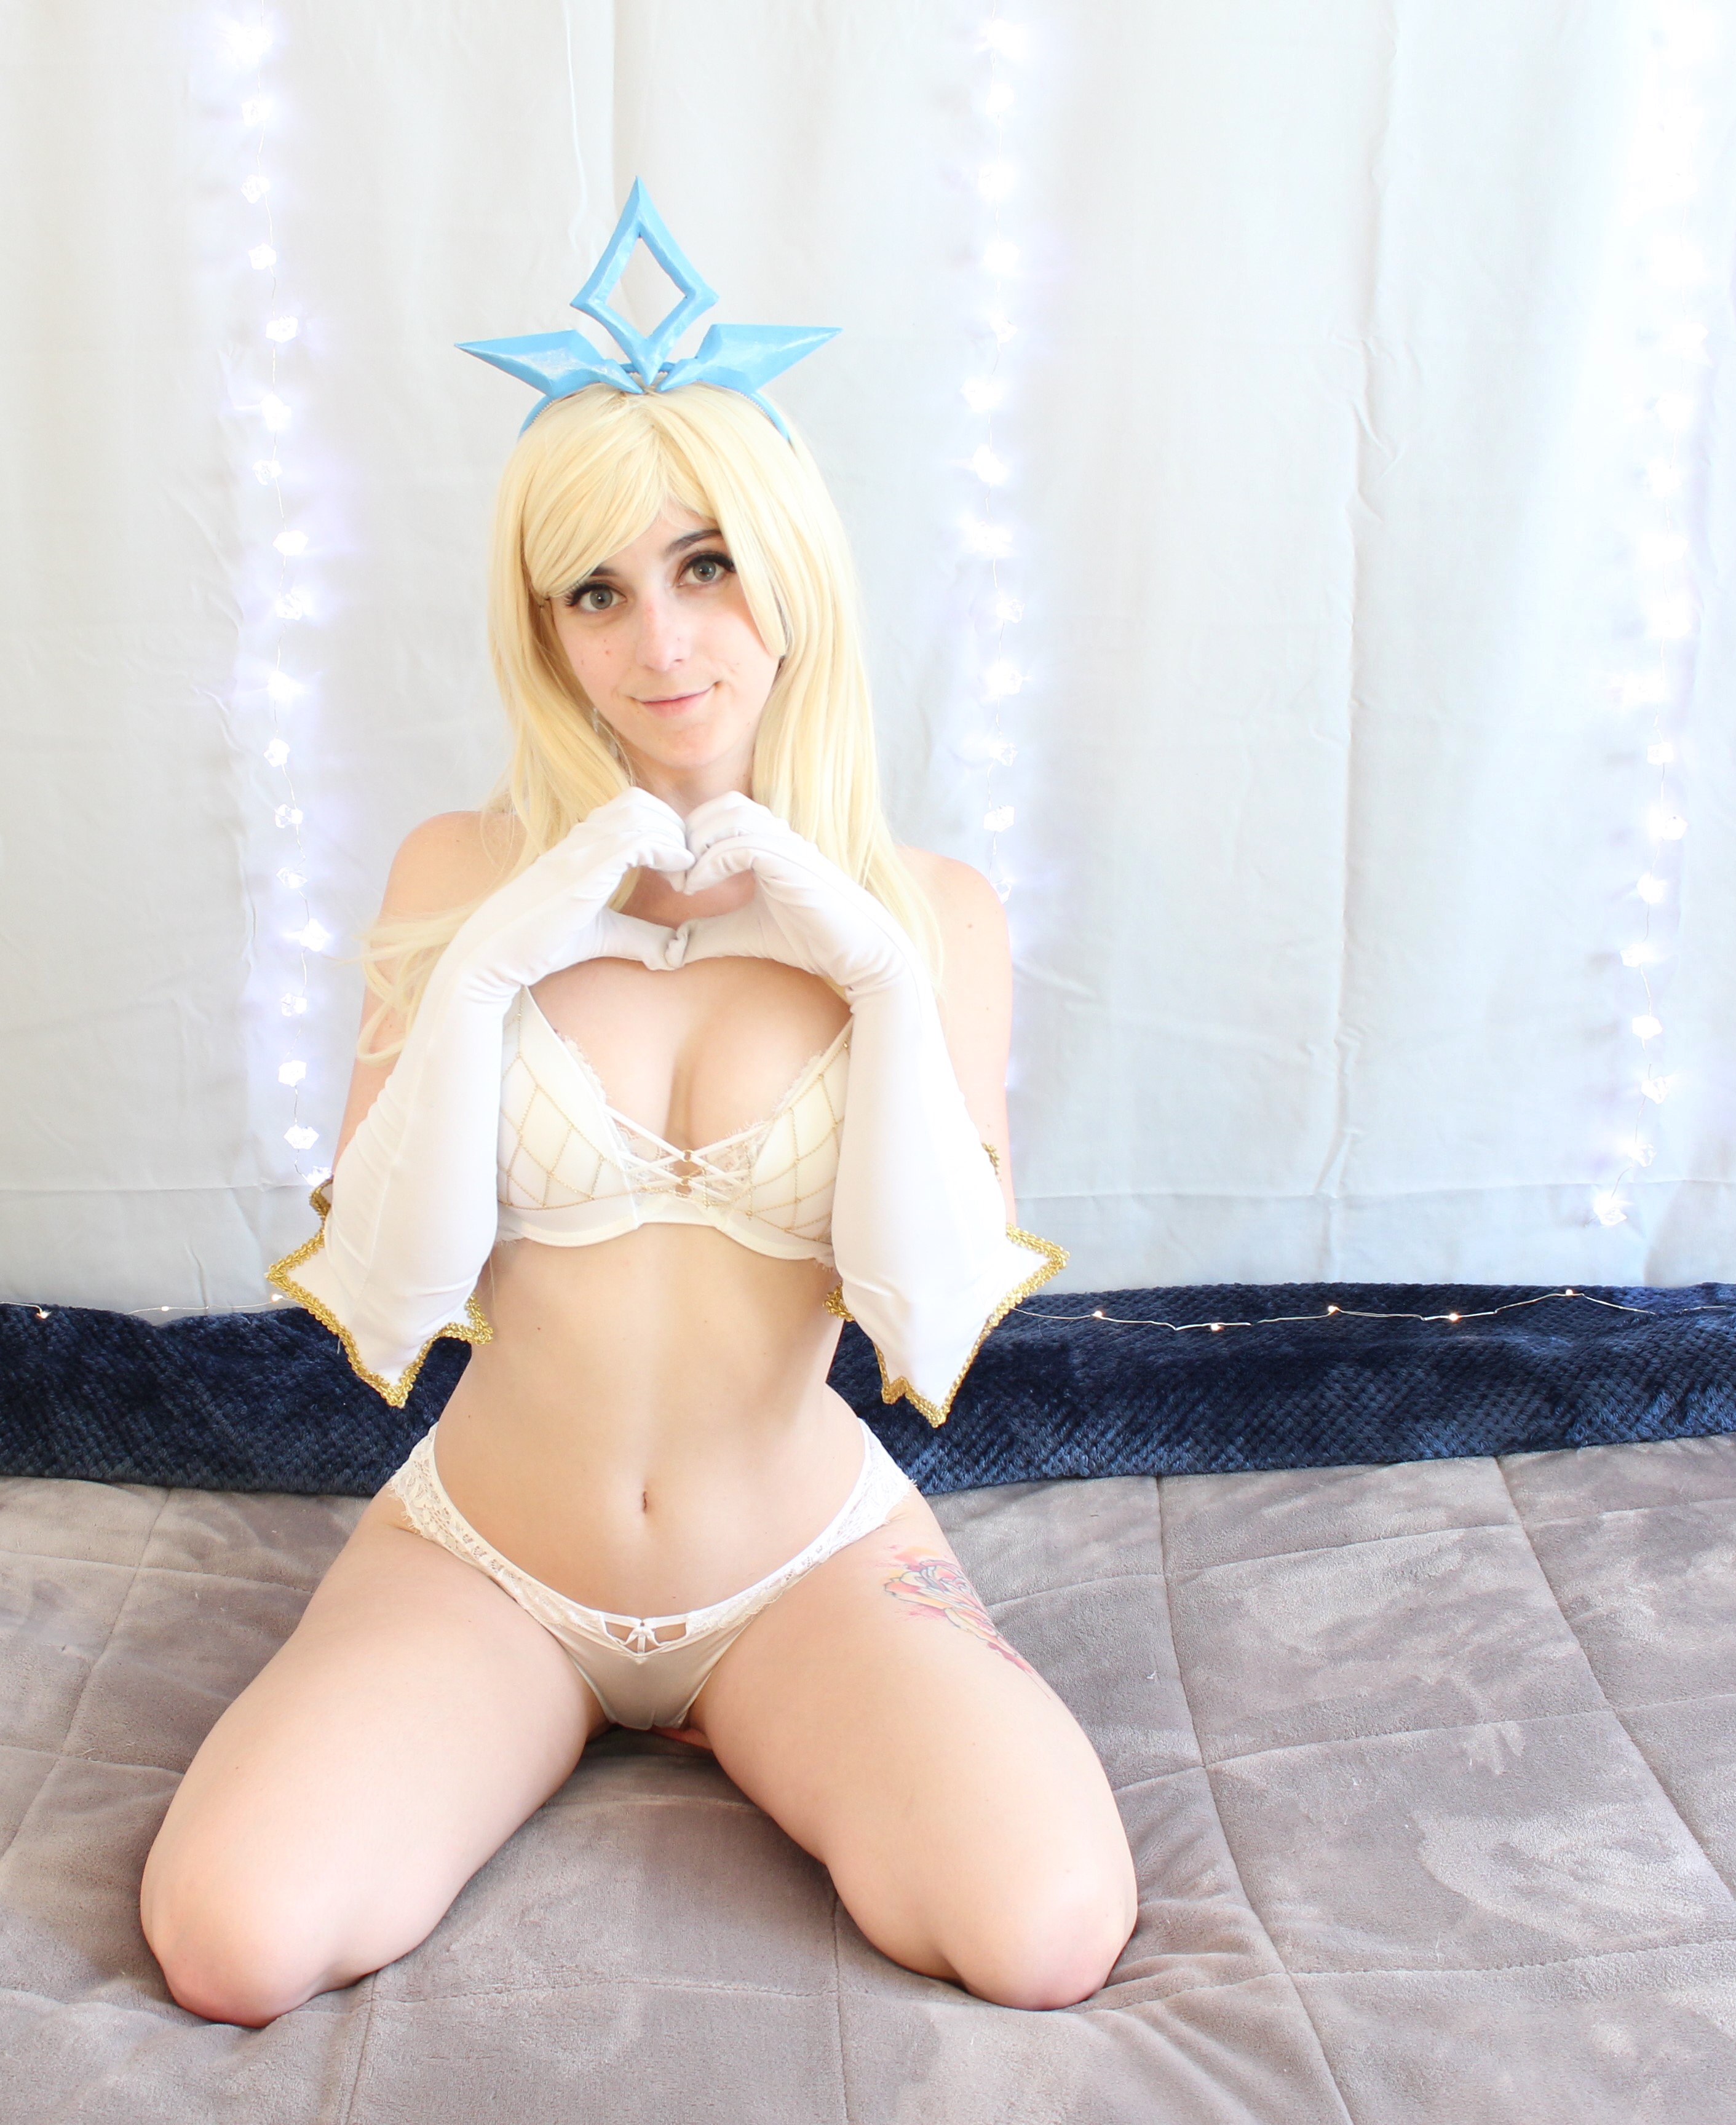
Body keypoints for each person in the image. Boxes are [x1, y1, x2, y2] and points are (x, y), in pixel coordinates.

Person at [141, 188, 1136, 2025]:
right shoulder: (454, 872)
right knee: (234, 1943)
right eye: (594, 592)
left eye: (705, 567)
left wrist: (878, 976)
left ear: (790, 574)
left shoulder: (933, 913)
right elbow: (393, 1293)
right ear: (543, 630)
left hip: (805, 1570)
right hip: (488, 1563)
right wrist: (487, 969)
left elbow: (924, 1314)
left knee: (1042, 1932)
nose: (659, 641)